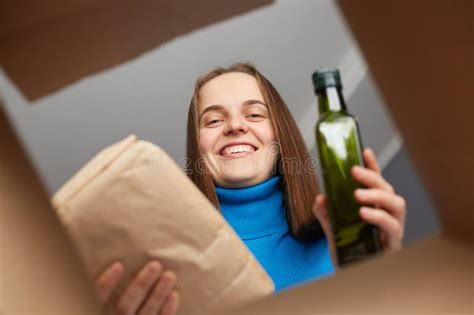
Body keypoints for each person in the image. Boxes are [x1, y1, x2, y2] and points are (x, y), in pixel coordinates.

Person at [95, 63, 407, 315]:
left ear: (280, 134)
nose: (235, 126)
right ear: (197, 145)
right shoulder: (165, 266)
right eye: (214, 120)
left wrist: (382, 275)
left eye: (255, 114)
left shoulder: (345, 241)